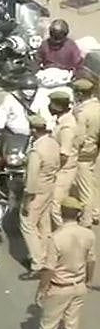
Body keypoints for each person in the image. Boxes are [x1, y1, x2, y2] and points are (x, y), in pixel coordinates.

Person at [19, 197, 95, 329]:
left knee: (48, 324)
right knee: (71, 325)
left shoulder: (57, 238)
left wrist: (41, 289)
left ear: (61, 213)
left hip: (60, 287)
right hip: (79, 285)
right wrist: (88, 281)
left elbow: (49, 269)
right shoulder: (88, 235)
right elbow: (91, 261)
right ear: (77, 214)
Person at [20, 115, 61, 278]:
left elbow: (31, 178)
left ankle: (37, 263)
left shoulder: (37, 150)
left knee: (28, 224)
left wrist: (27, 199)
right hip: (49, 185)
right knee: (44, 224)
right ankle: (47, 258)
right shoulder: (53, 143)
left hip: (37, 189)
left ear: (33, 130)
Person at [50, 91, 81, 227]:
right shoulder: (62, 121)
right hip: (61, 169)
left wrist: (51, 168)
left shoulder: (67, 127)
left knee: (55, 205)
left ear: (57, 106)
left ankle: (63, 232)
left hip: (64, 170)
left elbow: (64, 154)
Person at [72, 79, 100, 228]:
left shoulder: (83, 113)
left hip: (83, 153)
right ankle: (95, 212)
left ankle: (86, 219)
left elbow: (79, 137)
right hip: (95, 150)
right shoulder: (98, 107)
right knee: (93, 182)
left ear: (80, 93)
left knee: (84, 188)